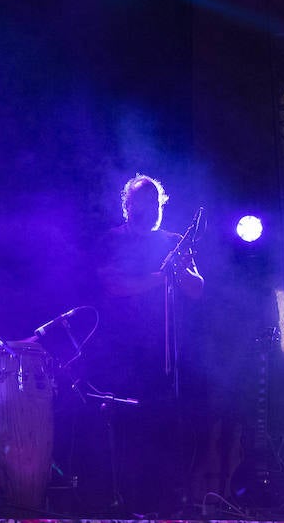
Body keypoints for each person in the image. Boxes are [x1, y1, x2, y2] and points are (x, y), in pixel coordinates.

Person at [84, 173, 204, 514]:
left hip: (166, 353)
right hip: (122, 354)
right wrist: (157, 279)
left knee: (166, 430)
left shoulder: (174, 241)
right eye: (140, 203)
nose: (148, 209)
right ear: (127, 206)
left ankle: (166, 506)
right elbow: (113, 286)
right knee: (127, 431)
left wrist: (178, 274)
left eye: (154, 202)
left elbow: (197, 289)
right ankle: (124, 505)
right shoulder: (112, 240)